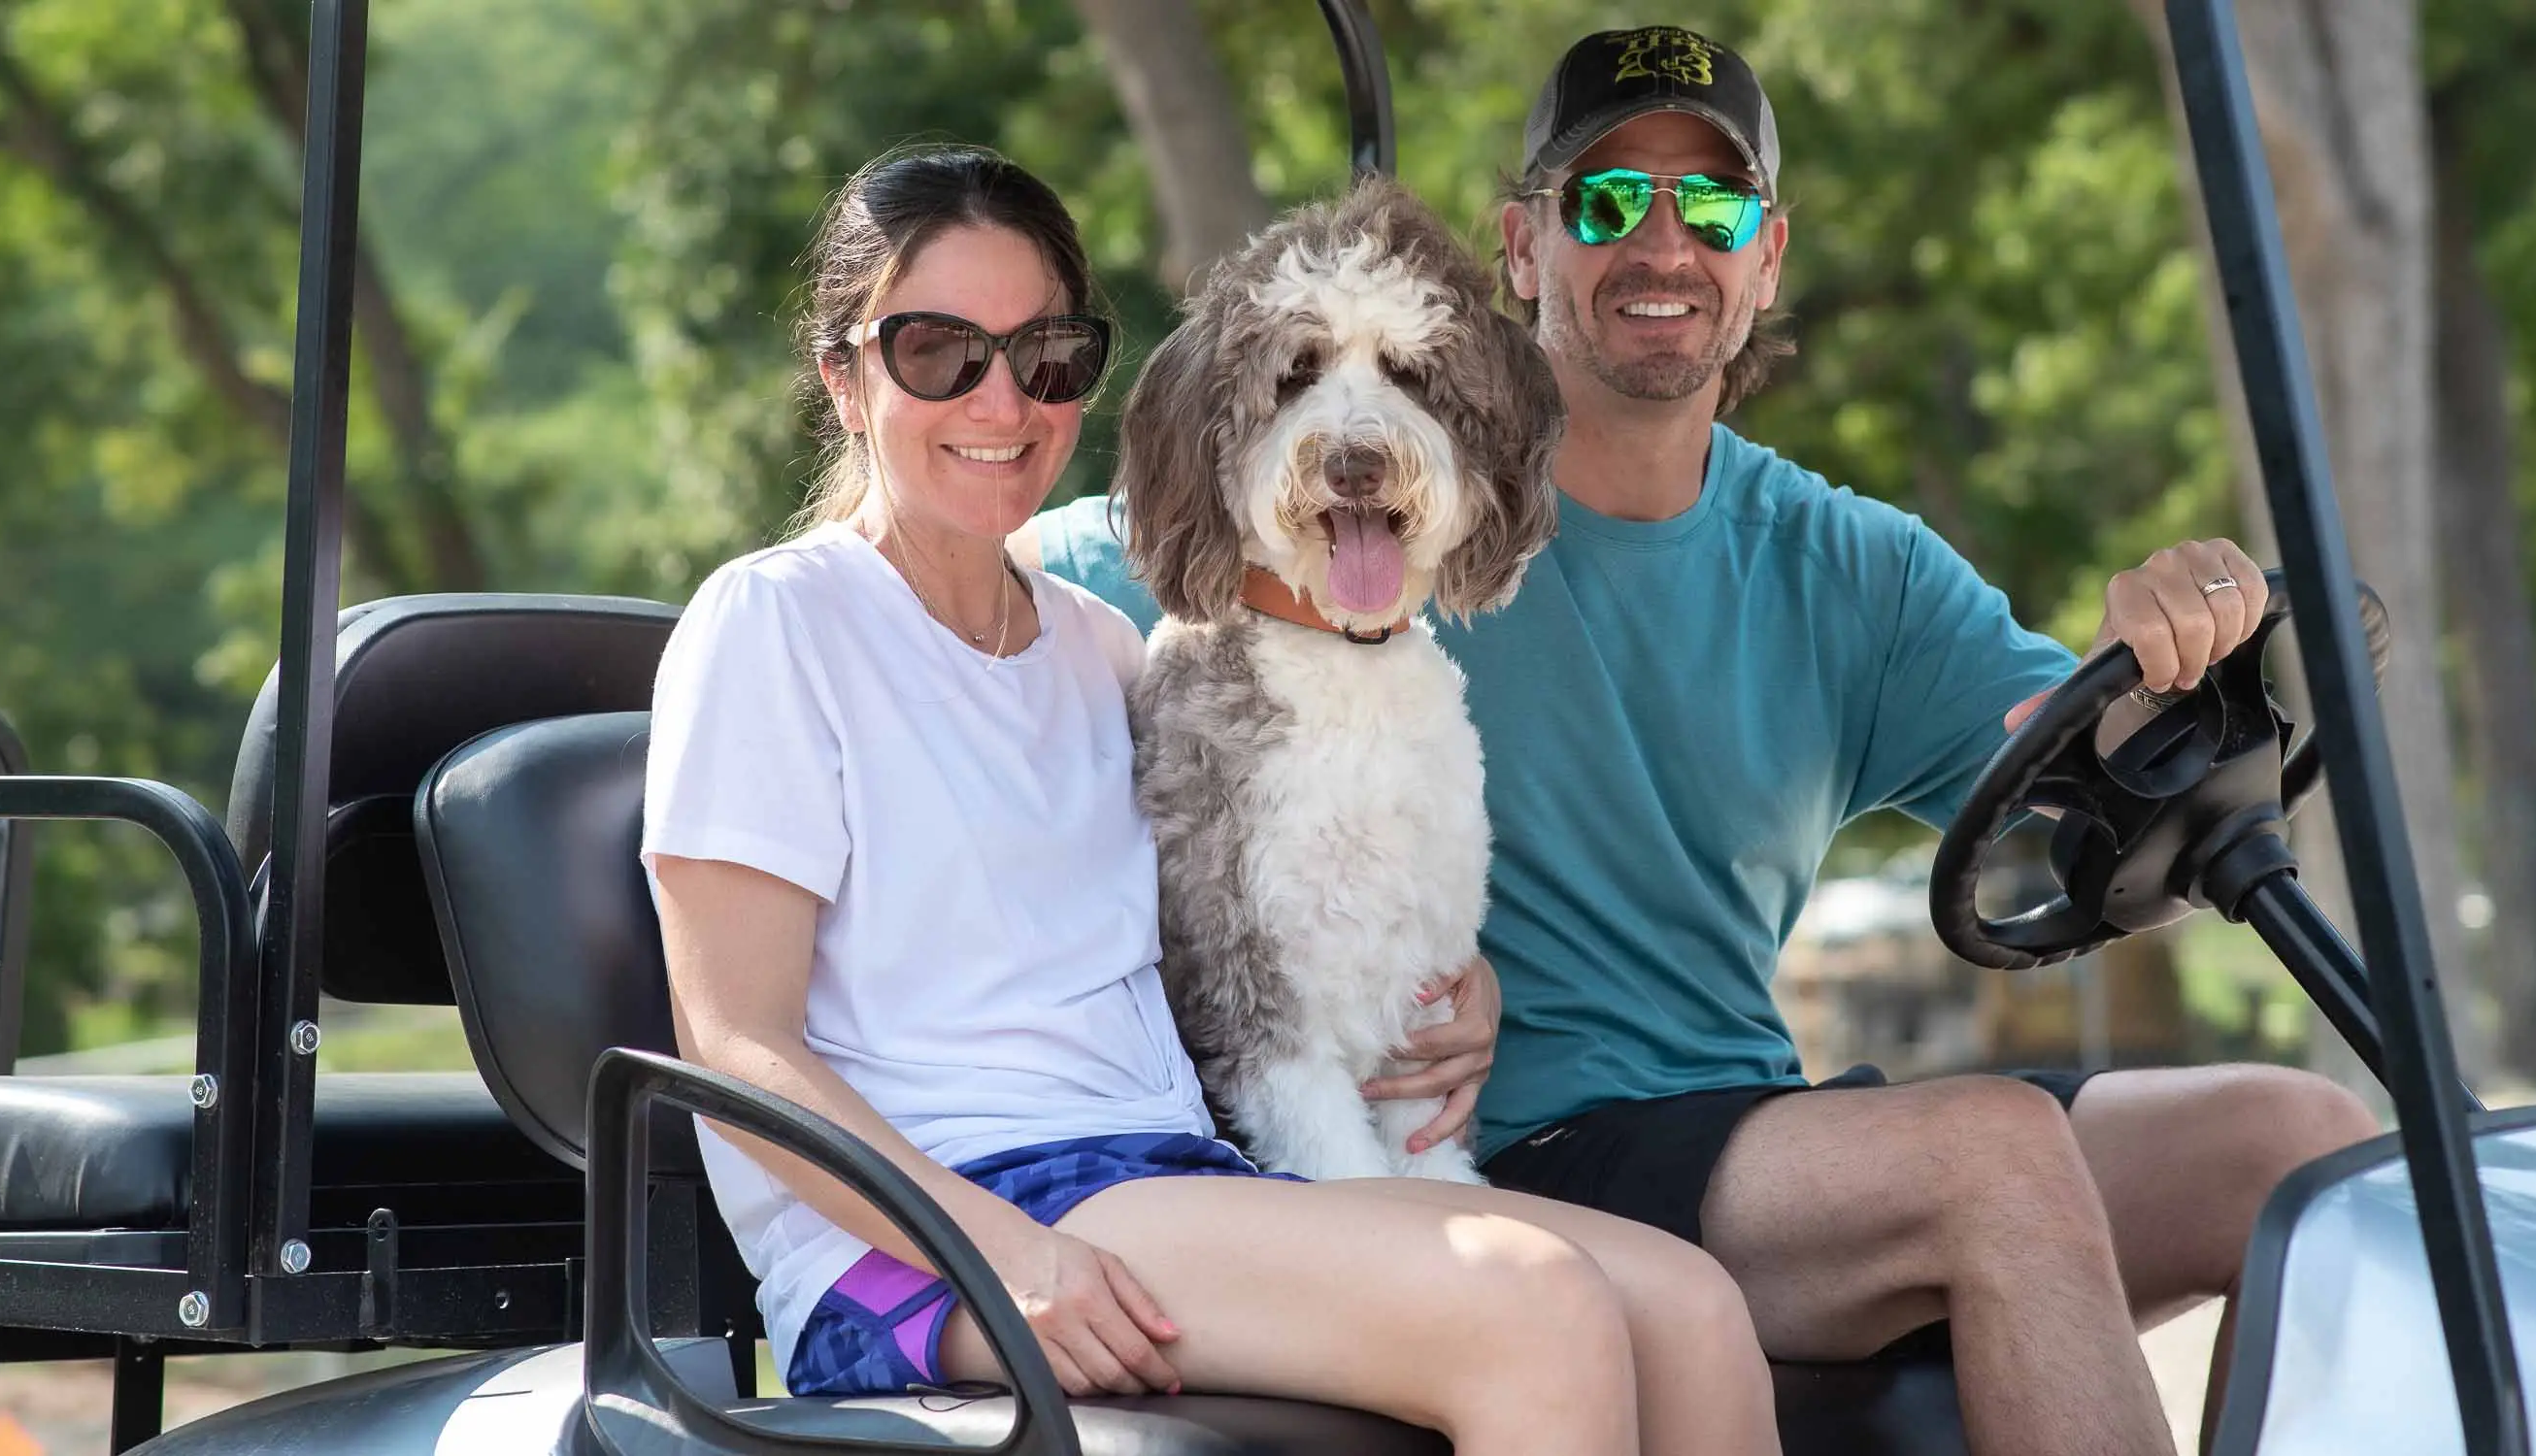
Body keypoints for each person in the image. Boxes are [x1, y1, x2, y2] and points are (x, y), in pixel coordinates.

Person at [1025, 25, 2382, 1456]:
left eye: (1713, 207)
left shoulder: (1854, 567)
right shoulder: (1381, 516)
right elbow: (1013, 575)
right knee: (1993, 1153)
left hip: (1764, 1136)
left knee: (2297, 1144)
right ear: (1523, 247)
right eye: (1606, 202)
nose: (1662, 243)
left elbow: (2082, 776)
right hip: (1520, 1149)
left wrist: (2177, 666)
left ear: (1767, 258)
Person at [640, 143, 1778, 1456]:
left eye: (1045, 356)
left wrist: (1455, 997)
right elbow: (735, 1046)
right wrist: (1002, 1254)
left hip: (1174, 1174)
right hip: (936, 1229)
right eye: (939, 353)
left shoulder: (1101, 649)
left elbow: (1230, 951)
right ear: (843, 377)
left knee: (1692, 1311)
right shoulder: (775, 621)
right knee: (1533, 1309)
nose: (1000, 401)